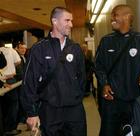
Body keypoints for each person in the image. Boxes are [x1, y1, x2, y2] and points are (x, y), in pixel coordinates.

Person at [21, 7, 87, 136]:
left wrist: (75, 97)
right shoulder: (39, 49)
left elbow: (82, 78)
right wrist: (32, 112)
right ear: (54, 21)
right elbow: (29, 82)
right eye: (67, 20)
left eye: (71, 21)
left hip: (74, 111)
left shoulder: (75, 48)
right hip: (50, 111)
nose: (71, 24)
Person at [95, 4, 140, 136]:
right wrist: (104, 83)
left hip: (135, 102)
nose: (111, 18)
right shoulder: (106, 41)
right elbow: (99, 67)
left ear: (127, 17)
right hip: (112, 102)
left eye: (115, 14)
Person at [0, 40, 21, 135]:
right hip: (9, 79)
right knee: (13, 105)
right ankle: (10, 128)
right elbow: (18, 61)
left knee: (3, 106)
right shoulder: (11, 50)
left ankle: (3, 128)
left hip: (1, 80)